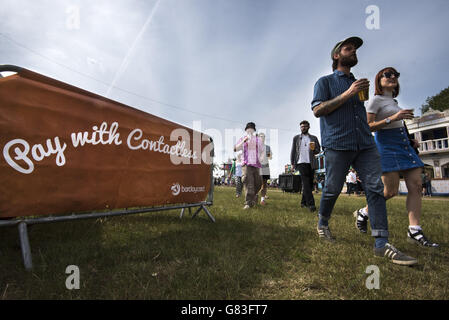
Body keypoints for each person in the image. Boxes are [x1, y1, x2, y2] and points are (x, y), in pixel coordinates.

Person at [311, 36, 417, 265]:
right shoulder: (325, 82)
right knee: (332, 188)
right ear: (337, 55)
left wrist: (358, 95)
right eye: (348, 48)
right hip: (338, 143)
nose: (353, 51)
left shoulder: (359, 82)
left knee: (375, 188)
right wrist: (348, 93)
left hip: (365, 143)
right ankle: (323, 222)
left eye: (355, 49)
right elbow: (318, 110)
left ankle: (381, 243)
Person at [353, 67, 438, 248]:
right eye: (388, 75)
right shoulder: (375, 100)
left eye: (396, 75)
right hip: (386, 145)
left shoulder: (394, 101)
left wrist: (409, 139)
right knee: (390, 191)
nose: (393, 77)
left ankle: (414, 230)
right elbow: (368, 126)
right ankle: (363, 212)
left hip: (403, 145)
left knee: (416, 185)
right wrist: (394, 117)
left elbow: (399, 124)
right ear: (379, 79)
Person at [290, 120, 321, 212]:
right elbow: (293, 151)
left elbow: (318, 150)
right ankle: (311, 205)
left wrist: (314, 149)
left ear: (308, 127)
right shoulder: (296, 138)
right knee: (306, 183)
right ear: (300, 128)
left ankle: (303, 202)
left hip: (311, 163)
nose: (303, 128)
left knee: (309, 184)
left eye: (305, 126)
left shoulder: (314, 138)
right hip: (300, 163)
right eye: (302, 126)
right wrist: (292, 163)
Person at [234, 122, 265, 209]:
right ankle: (248, 203)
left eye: (251, 128)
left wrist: (262, 158)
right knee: (248, 182)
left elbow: (262, 151)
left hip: (257, 164)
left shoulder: (258, 140)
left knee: (258, 183)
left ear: (254, 130)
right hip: (246, 163)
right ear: (246, 130)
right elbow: (235, 148)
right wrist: (243, 141)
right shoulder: (243, 138)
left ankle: (254, 196)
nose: (250, 130)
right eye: (248, 128)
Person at [258, 133, 272, 205]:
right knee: (256, 183)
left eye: (263, 137)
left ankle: (262, 200)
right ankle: (254, 197)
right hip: (257, 166)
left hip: (265, 166)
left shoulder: (268, 147)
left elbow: (270, 157)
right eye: (260, 137)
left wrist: (268, 155)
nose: (262, 138)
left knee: (264, 184)